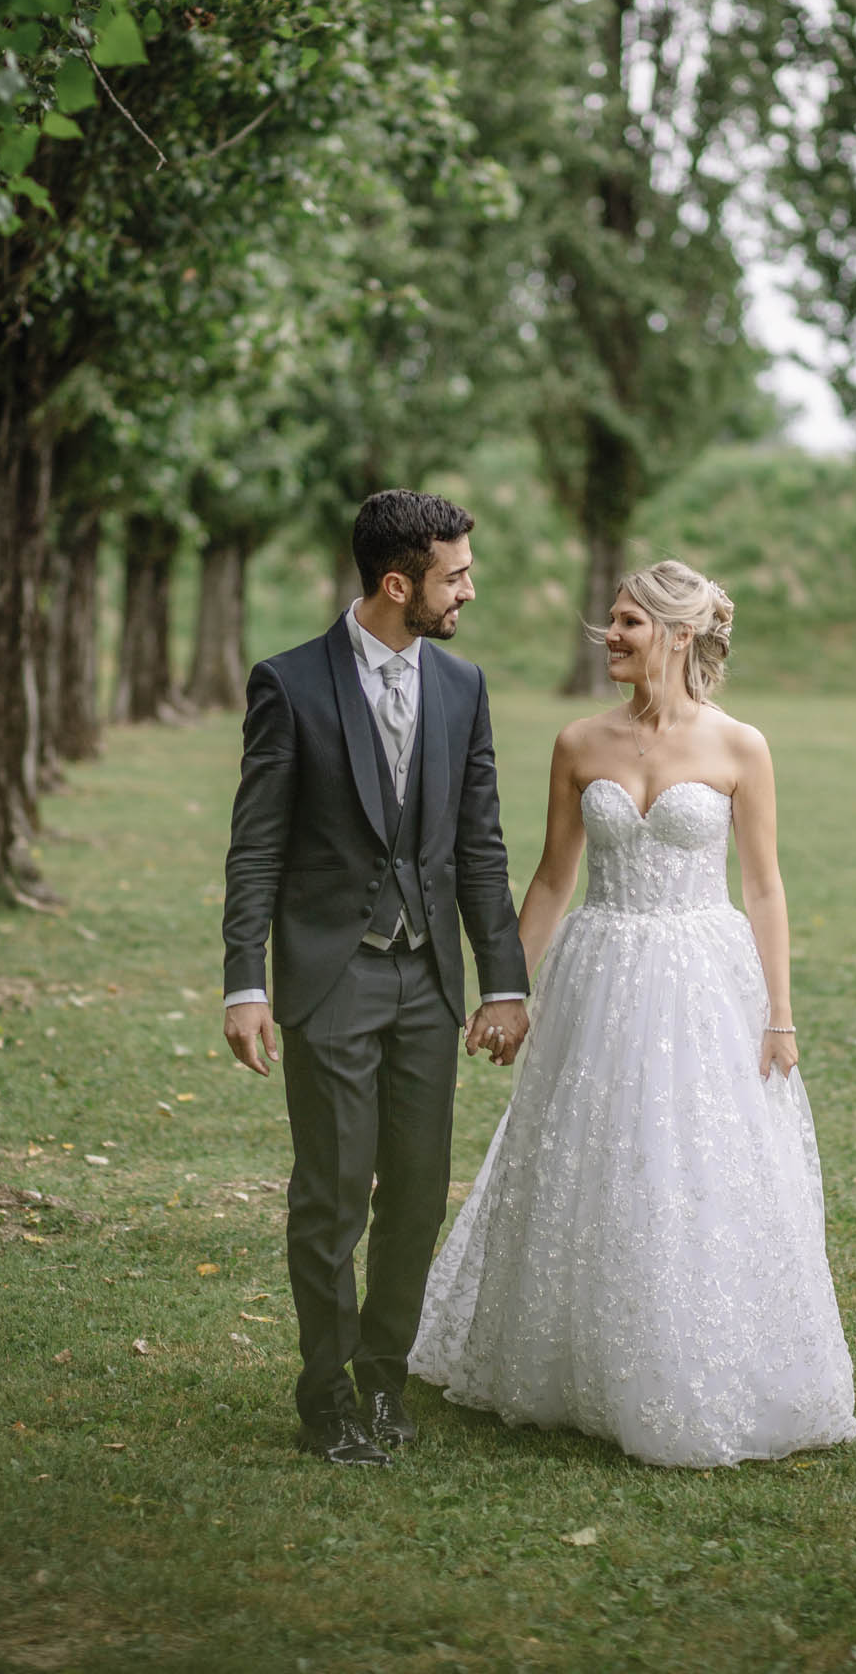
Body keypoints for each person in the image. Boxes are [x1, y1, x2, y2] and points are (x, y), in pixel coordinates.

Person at [410, 560, 856, 1468]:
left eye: (627, 624)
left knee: (695, 1160)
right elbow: (549, 877)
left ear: (680, 634)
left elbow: (764, 888)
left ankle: (697, 1356)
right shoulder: (579, 742)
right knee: (590, 1154)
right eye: (609, 621)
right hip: (601, 970)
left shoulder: (740, 747)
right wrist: (507, 989)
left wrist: (779, 1013)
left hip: (703, 977)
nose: (607, 636)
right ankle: (575, 1359)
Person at [222, 490, 530, 1467]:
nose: (469, 590)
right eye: (456, 575)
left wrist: (504, 980)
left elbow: (479, 844)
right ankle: (325, 1391)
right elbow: (256, 843)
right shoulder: (290, 682)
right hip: (330, 975)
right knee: (335, 1190)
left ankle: (385, 1376)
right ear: (398, 583)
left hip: (427, 980)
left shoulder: (460, 686)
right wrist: (244, 980)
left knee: (416, 1192)